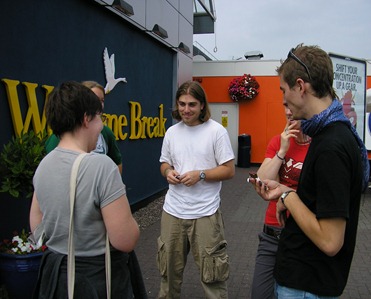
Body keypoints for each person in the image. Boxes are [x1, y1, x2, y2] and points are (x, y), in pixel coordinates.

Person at [249, 44, 369, 299]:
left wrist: (286, 196)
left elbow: (330, 241)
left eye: (284, 90)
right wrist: (284, 190)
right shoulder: (332, 134)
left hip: (306, 285)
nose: (283, 100)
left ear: (301, 87)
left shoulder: (330, 146)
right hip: (306, 278)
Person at [30, 81, 140, 298]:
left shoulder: (44, 164)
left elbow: (37, 225)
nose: (101, 126)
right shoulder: (101, 166)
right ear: (86, 119)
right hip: (96, 279)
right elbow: (124, 240)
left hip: (56, 276)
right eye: (99, 117)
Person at [157, 80, 235, 299]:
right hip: (173, 212)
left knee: (213, 277)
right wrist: (168, 172)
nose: (186, 110)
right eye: (182, 104)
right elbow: (164, 163)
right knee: (168, 275)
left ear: (202, 105)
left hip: (205, 214)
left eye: (192, 104)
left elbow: (229, 170)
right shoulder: (172, 132)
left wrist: (201, 174)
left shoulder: (216, 131)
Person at [251, 106, 310, 299]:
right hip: (272, 233)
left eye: (293, 106)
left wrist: (287, 193)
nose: (288, 111)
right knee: (260, 294)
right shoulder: (278, 141)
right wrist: (282, 150)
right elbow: (262, 181)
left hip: (303, 234)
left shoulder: (319, 146)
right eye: (285, 106)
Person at [45, 80, 123, 174]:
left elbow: (117, 161)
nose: (99, 105)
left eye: (102, 100)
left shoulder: (106, 134)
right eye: (95, 99)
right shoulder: (57, 141)